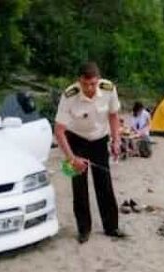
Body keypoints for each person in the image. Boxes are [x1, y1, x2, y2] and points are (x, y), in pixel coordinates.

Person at [54, 62, 126, 243]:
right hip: (75, 139)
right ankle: (84, 229)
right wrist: (71, 158)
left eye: (93, 83)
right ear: (79, 81)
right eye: (85, 84)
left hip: (99, 139)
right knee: (79, 186)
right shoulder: (69, 95)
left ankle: (111, 227)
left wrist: (116, 140)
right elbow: (59, 130)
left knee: (105, 184)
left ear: (98, 80)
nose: (89, 88)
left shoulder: (109, 89)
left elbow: (113, 115)